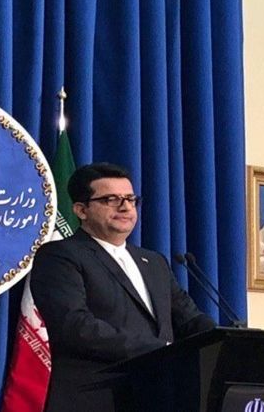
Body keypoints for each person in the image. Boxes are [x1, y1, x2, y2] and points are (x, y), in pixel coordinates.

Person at [30, 163, 216, 412]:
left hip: (160, 398)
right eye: (111, 199)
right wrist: (162, 351)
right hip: (96, 400)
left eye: (130, 199)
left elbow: (189, 319)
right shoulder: (60, 256)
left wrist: (223, 339)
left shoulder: (154, 262)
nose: (125, 207)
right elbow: (75, 327)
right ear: (81, 210)